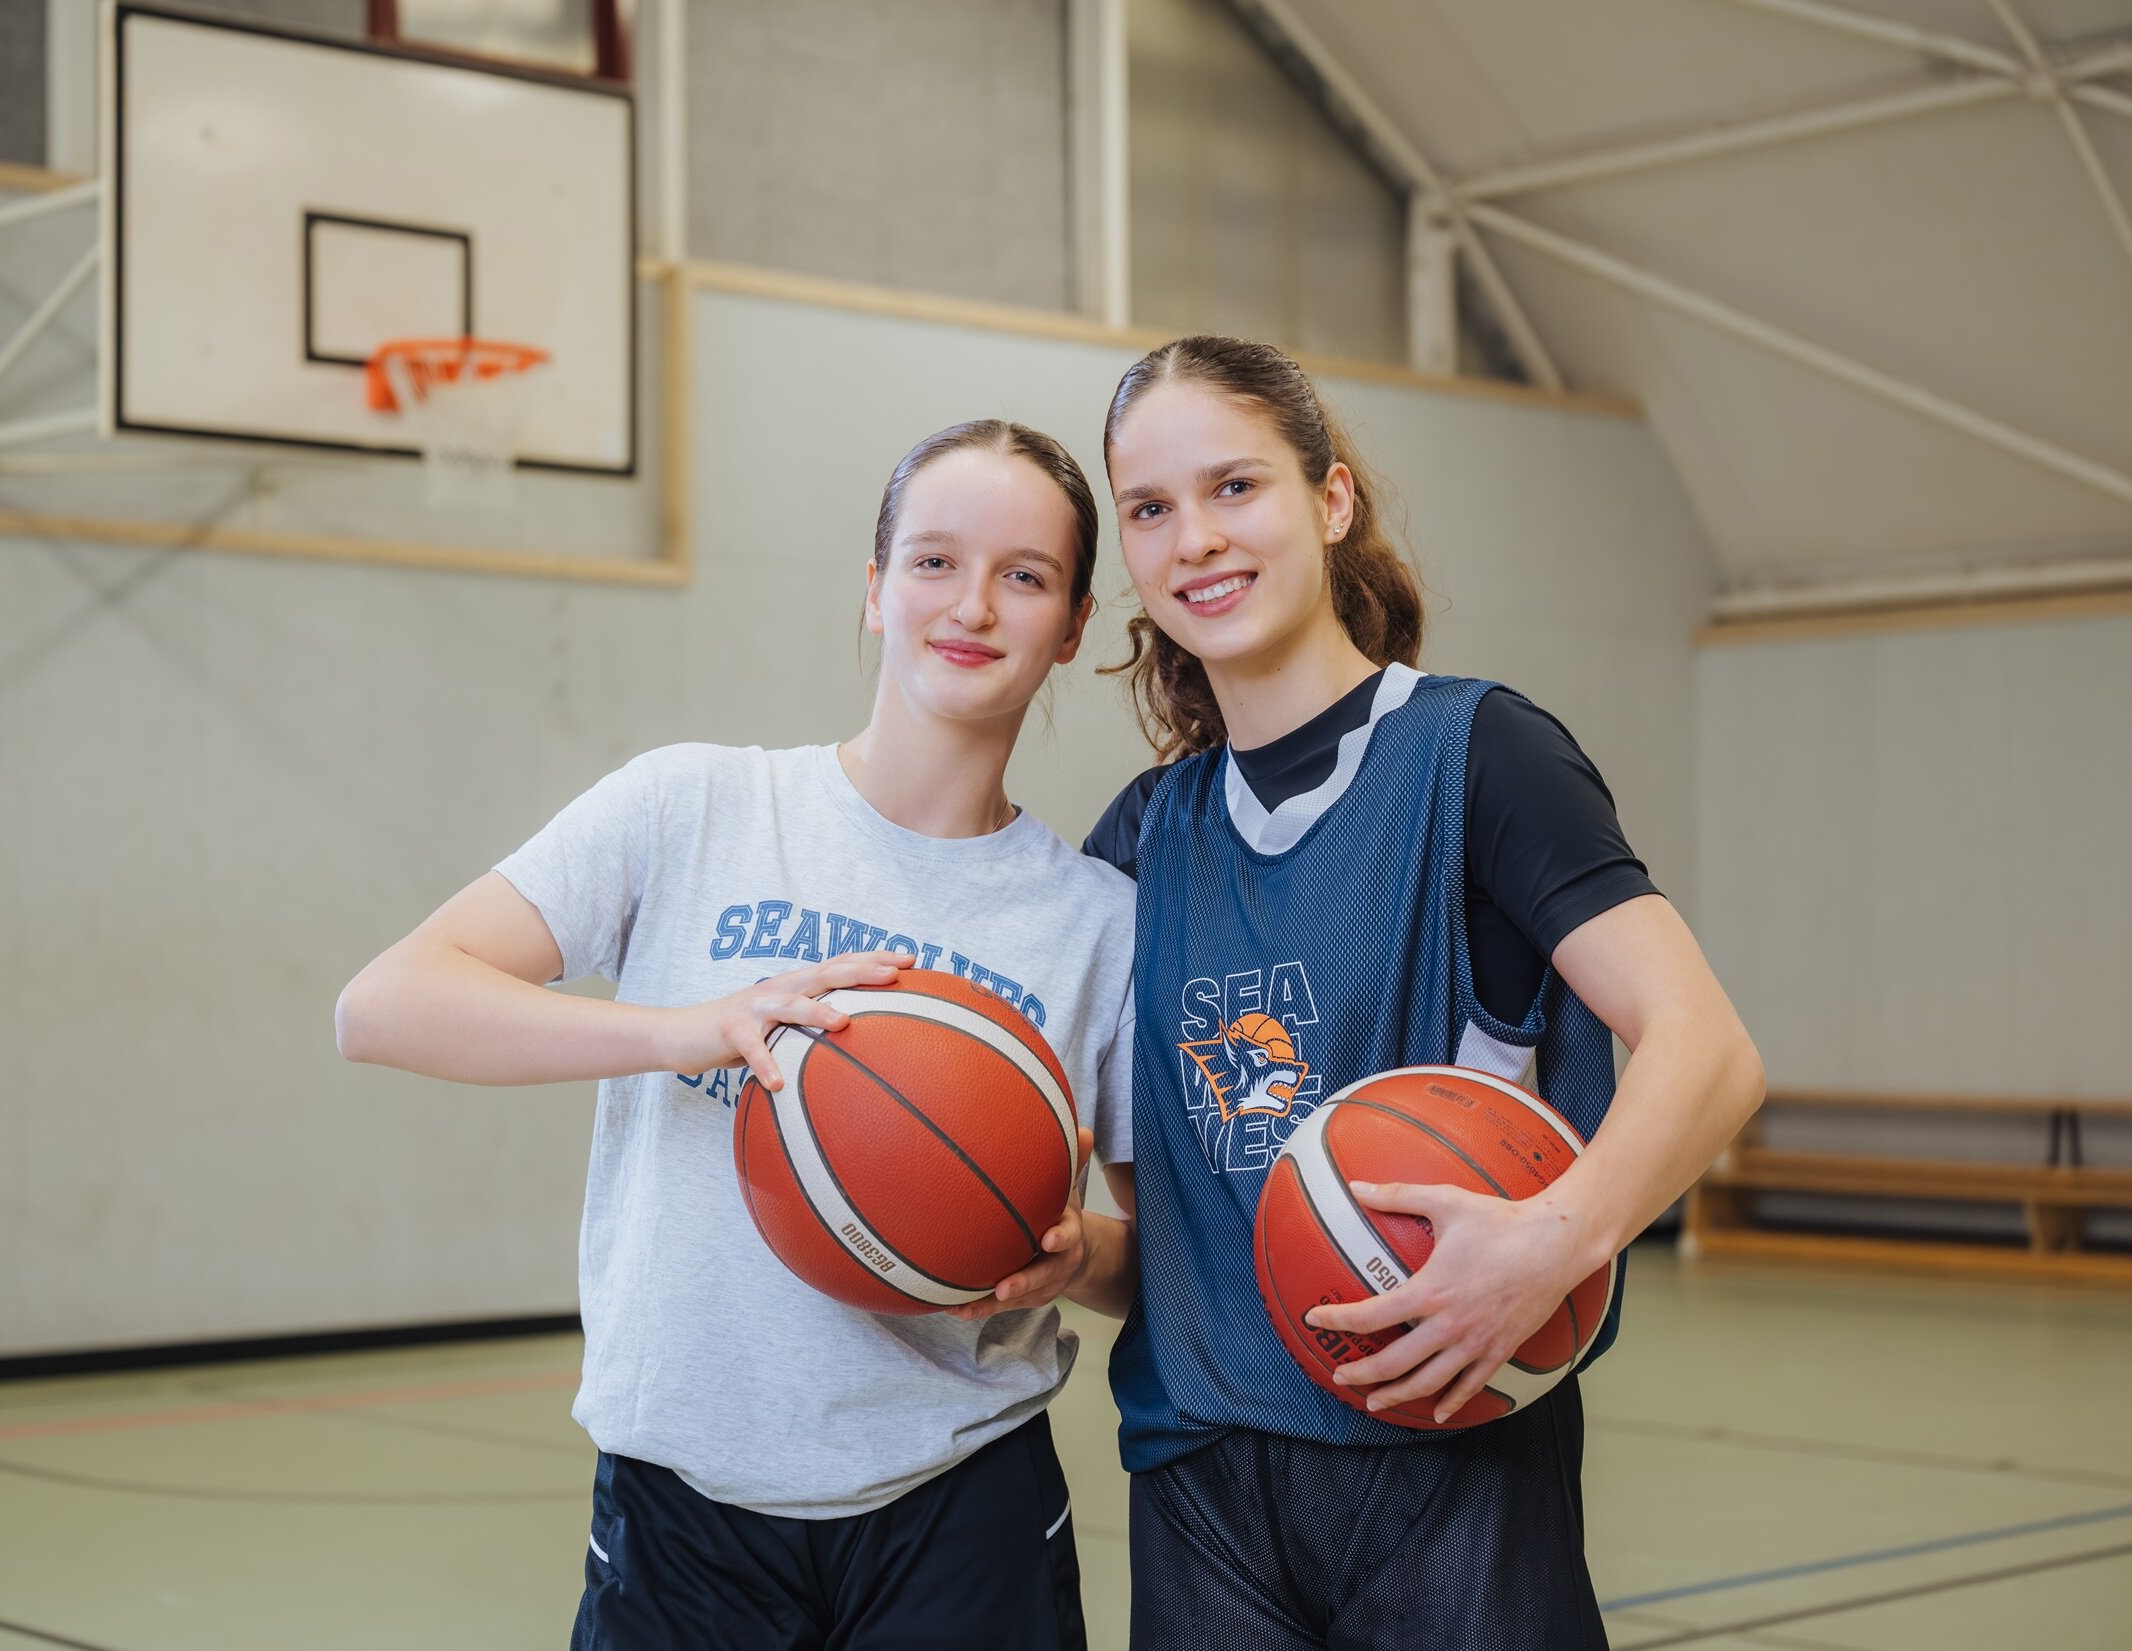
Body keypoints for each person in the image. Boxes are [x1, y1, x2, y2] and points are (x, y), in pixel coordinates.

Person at [335, 418, 1140, 1651]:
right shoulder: (693, 807)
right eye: (932, 561)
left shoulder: (1098, 923)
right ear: (875, 590)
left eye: (1022, 575)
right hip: (683, 1503)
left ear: (1071, 625)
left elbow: (1156, 1266)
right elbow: (386, 1004)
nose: (970, 603)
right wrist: (688, 1029)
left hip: (960, 1502)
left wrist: (1077, 1250)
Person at [1080, 336, 1765, 1650]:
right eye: (1151, 508)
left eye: (1236, 486)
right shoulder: (1140, 838)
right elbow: (1179, 1236)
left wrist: (1556, 1234)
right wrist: (1051, 1254)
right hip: (1200, 1479)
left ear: (1330, 501)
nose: (1196, 539)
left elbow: (1708, 1046)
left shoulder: (1479, 751)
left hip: (1454, 1459)